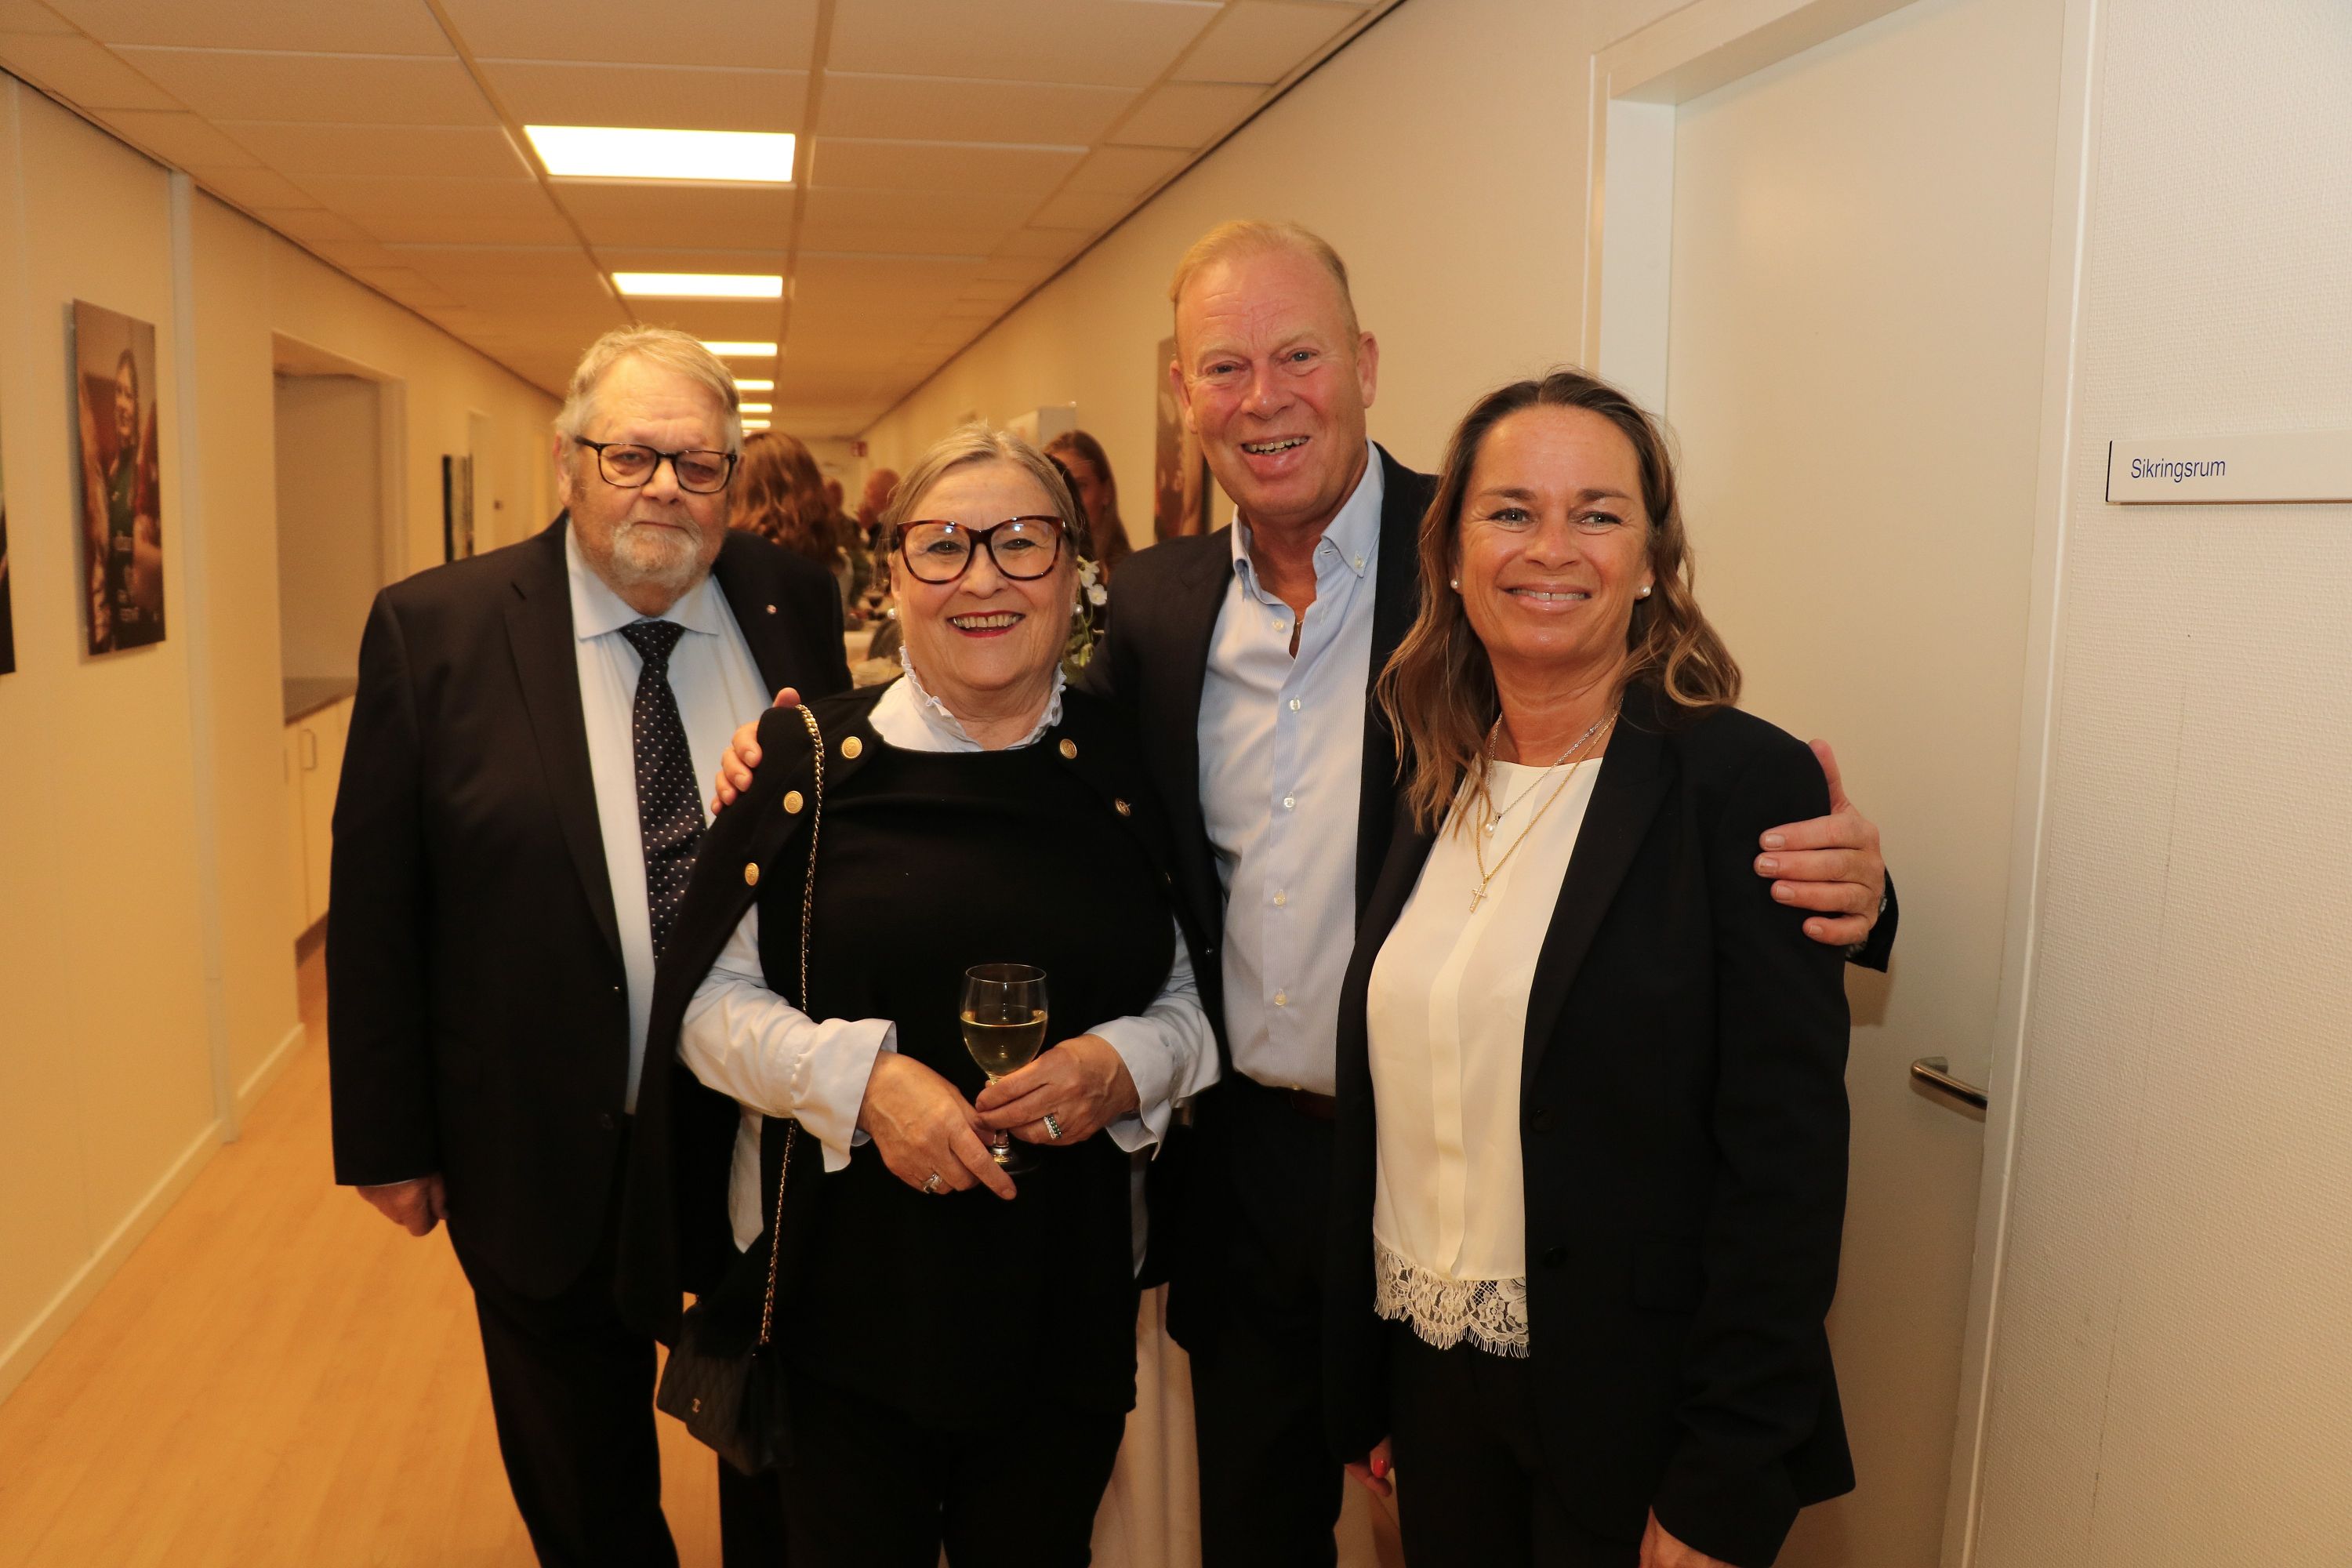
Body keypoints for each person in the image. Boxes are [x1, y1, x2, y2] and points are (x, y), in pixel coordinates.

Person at [712, 219, 1894, 1568]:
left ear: (1367, 364)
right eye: (1224, 367)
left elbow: (1661, 805)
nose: (1263, 398)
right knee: (1269, 1530)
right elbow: (1021, 747)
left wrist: (1861, 885)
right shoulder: (1150, 610)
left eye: (1298, 356)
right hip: (1249, 1178)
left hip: (1481, 1164)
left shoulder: (1486, 556)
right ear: (1184, 397)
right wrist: (813, 748)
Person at [617, 425, 1217, 1568]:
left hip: (1065, 1303)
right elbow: (705, 1005)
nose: (983, 578)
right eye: (942, 547)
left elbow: (1194, 994)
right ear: (892, 579)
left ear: (1079, 575)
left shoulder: (1129, 770)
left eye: (1022, 543)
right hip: (839, 1308)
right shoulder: (803, 766)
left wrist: (1127, 1065)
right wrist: (862, 1083)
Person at [327, 325, 850, 1567]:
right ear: (567, 462)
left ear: (733, 478)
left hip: (753, 1138)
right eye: (632, 456)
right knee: (581, 1479)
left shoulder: (794, 602)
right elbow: (377, 906)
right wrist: (387, 1142)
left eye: (700, 462)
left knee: (779, 1453)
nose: (666, 486)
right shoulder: (436, 630)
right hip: (540, 1137)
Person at [1324, 370, 1853, 1568]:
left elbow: (1785, 1169)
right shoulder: (1428, 774)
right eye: (1510, 512)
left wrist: (1723, 1477)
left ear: (1654, 559)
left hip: (1642, 1418)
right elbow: (1400, 1105)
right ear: (1452, 555)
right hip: (1434, 1392)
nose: (1550, 547)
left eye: (1598, 513)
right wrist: (1381, 1397)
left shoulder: (1738, 784)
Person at [1045, 428, 1136, 578]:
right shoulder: (1039, 569)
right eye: (1057, 488)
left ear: (1106, 492)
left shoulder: (1130, 576)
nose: (1068, 499)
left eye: (1079, 486)